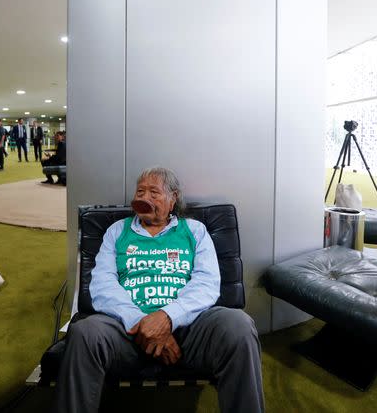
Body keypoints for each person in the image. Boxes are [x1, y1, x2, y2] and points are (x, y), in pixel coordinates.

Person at [53, 167, 265, 413]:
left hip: (188, 330)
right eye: (140, 191)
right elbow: (103, 284)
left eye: (154, 192)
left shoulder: (194, 231)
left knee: (239, 325)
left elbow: (206, 283)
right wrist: (143, 323)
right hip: (126, 331)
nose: (144, 198)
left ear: (173, 198)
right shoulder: (117, 231)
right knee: (84, 332)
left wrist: (168, 317)